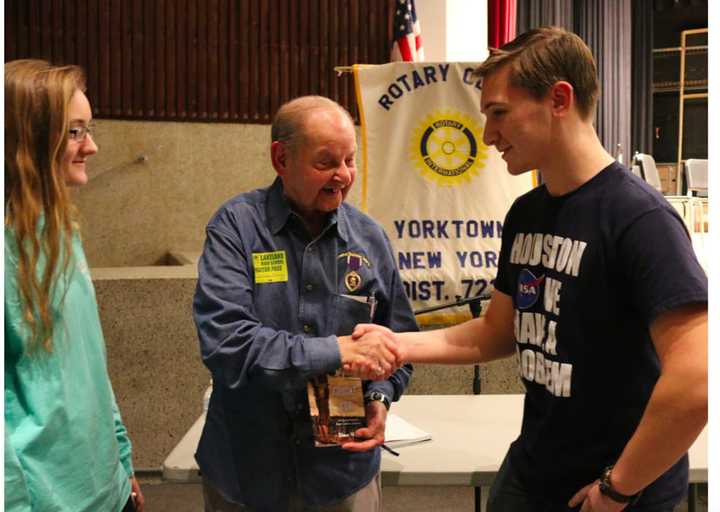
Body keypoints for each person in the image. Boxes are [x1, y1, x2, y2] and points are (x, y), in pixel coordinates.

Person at [353, 27, 708, 512]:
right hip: (531, 475)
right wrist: (396, 344)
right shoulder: (528, 213)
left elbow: (697, 381)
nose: (487, 135)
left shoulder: (640, 219)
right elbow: (496, 331)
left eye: (499, 112)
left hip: (612, 493)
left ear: (559, 99)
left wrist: (617, 488)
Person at [192, 95, 418, 511]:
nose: (343, 176)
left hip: (342, 475)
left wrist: (380, 397)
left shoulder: (370, 238)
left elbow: (399, 343)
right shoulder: (236, 228)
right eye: (326, 162)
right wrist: (336, 350)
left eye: (350, 160)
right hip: (247, 473)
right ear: (281, 158)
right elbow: (228, 346)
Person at [4, 59, 145, 512]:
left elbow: (90, 364)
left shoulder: (60, 229)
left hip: (105, 488)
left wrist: (121, 461)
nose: (93, 146)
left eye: (89, 128)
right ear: (28, 138)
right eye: (74, 132)